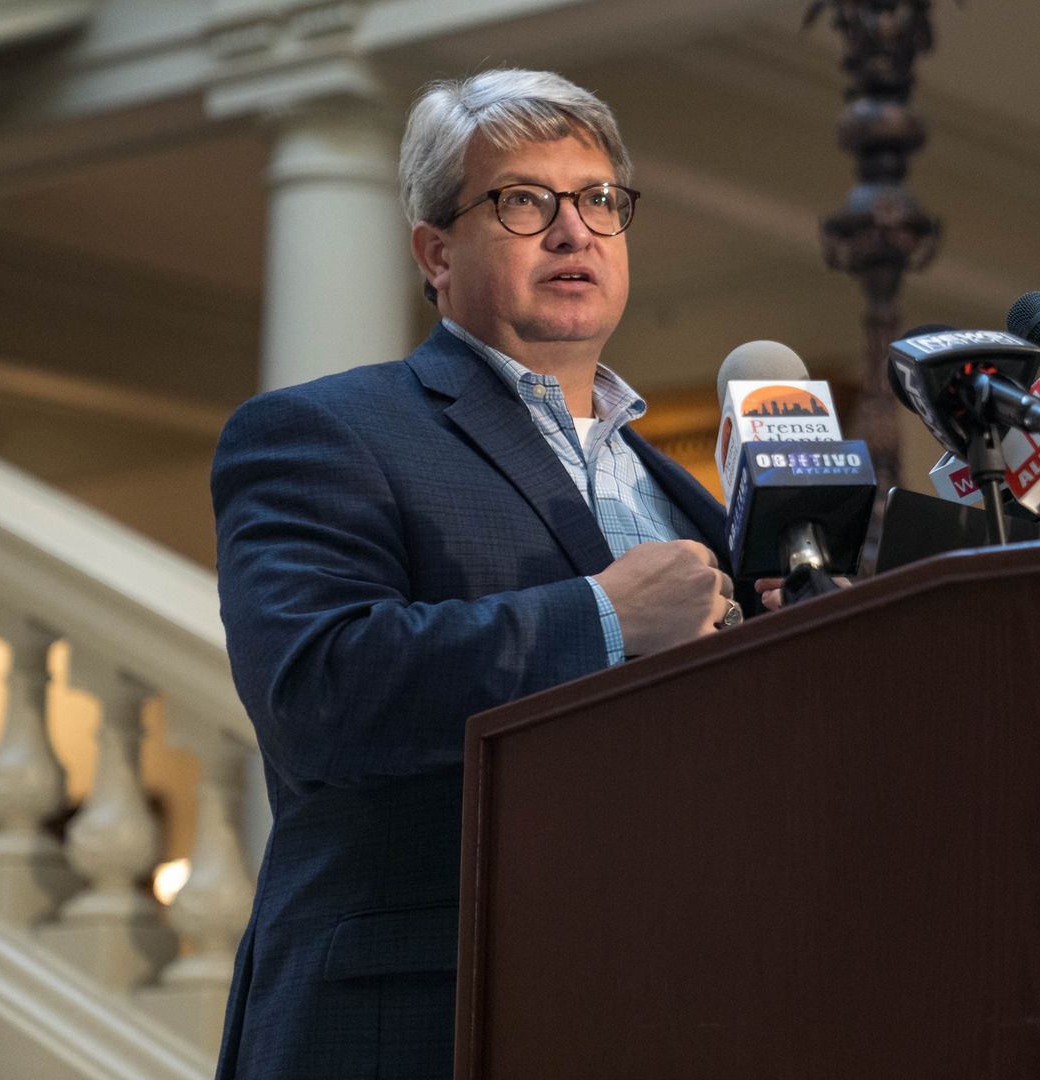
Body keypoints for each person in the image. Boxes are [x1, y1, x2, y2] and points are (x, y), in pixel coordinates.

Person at [210, 69, 745, 1078]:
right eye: (523, 201)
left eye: (597, 201)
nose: (573, 231)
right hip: (422, 1014)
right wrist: (601, 619)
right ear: (435, 251)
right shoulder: (323, 433)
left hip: (666, 1000)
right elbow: (316, 692)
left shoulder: (689, 496)